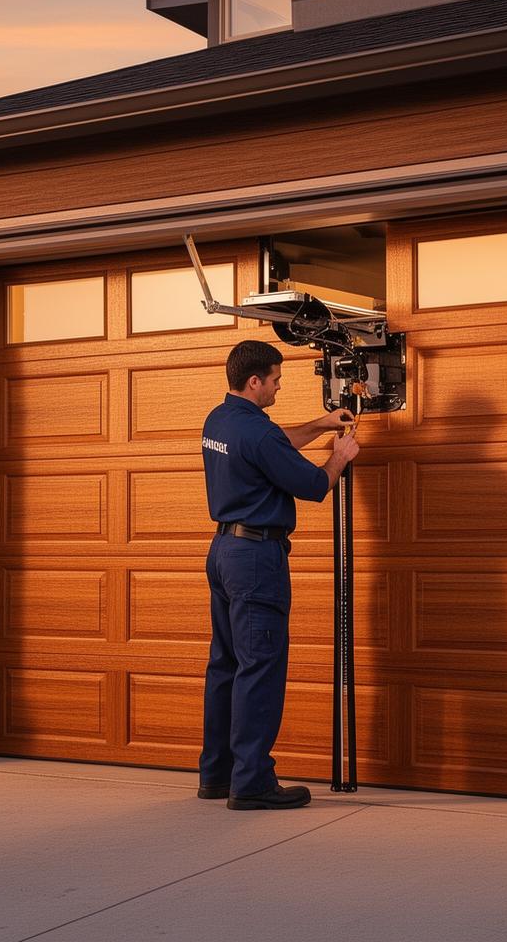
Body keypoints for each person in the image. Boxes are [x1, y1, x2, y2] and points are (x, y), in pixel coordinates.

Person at [198, 338, 359, 810]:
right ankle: (252, 782)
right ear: (255, 381)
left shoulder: (220, 420)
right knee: (259, 667)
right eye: (275, 380)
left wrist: (321, 424)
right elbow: (313, 484)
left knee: (226, 665)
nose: (278, 388)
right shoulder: (257, 432)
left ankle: (217, 775)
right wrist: (340, 454)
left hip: (223, 552)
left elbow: (272, 445)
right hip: (256, 559)